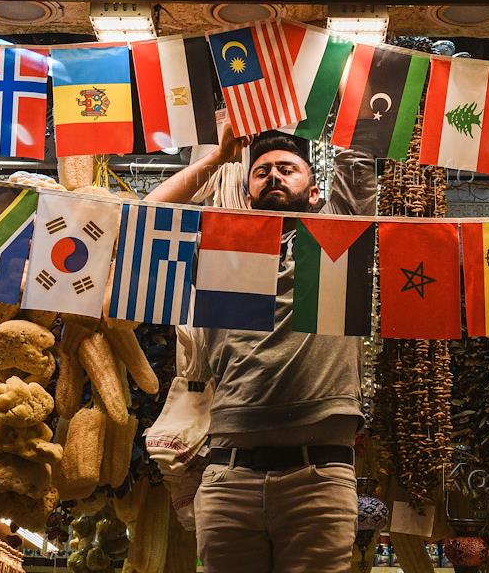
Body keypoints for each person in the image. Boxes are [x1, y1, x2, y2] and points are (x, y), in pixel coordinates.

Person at [145, 123, 376, 573]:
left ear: (315, 193)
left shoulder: (338, 242)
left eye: (288, 169)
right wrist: (217, 159)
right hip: (229, 475)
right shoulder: (222, 251)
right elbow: (147, 218)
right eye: (262, 171)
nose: (273, 175)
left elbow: (362, 151)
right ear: (248, 195)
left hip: (319, 478)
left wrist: (333, 92)